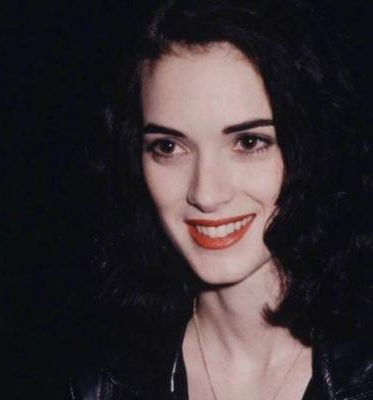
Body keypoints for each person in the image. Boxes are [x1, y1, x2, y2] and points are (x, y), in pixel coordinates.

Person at [69, 1, 373, 399]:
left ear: (315, 147)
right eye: (168, 146)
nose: (206, 194)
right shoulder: (101, 387)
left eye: (248, 142)